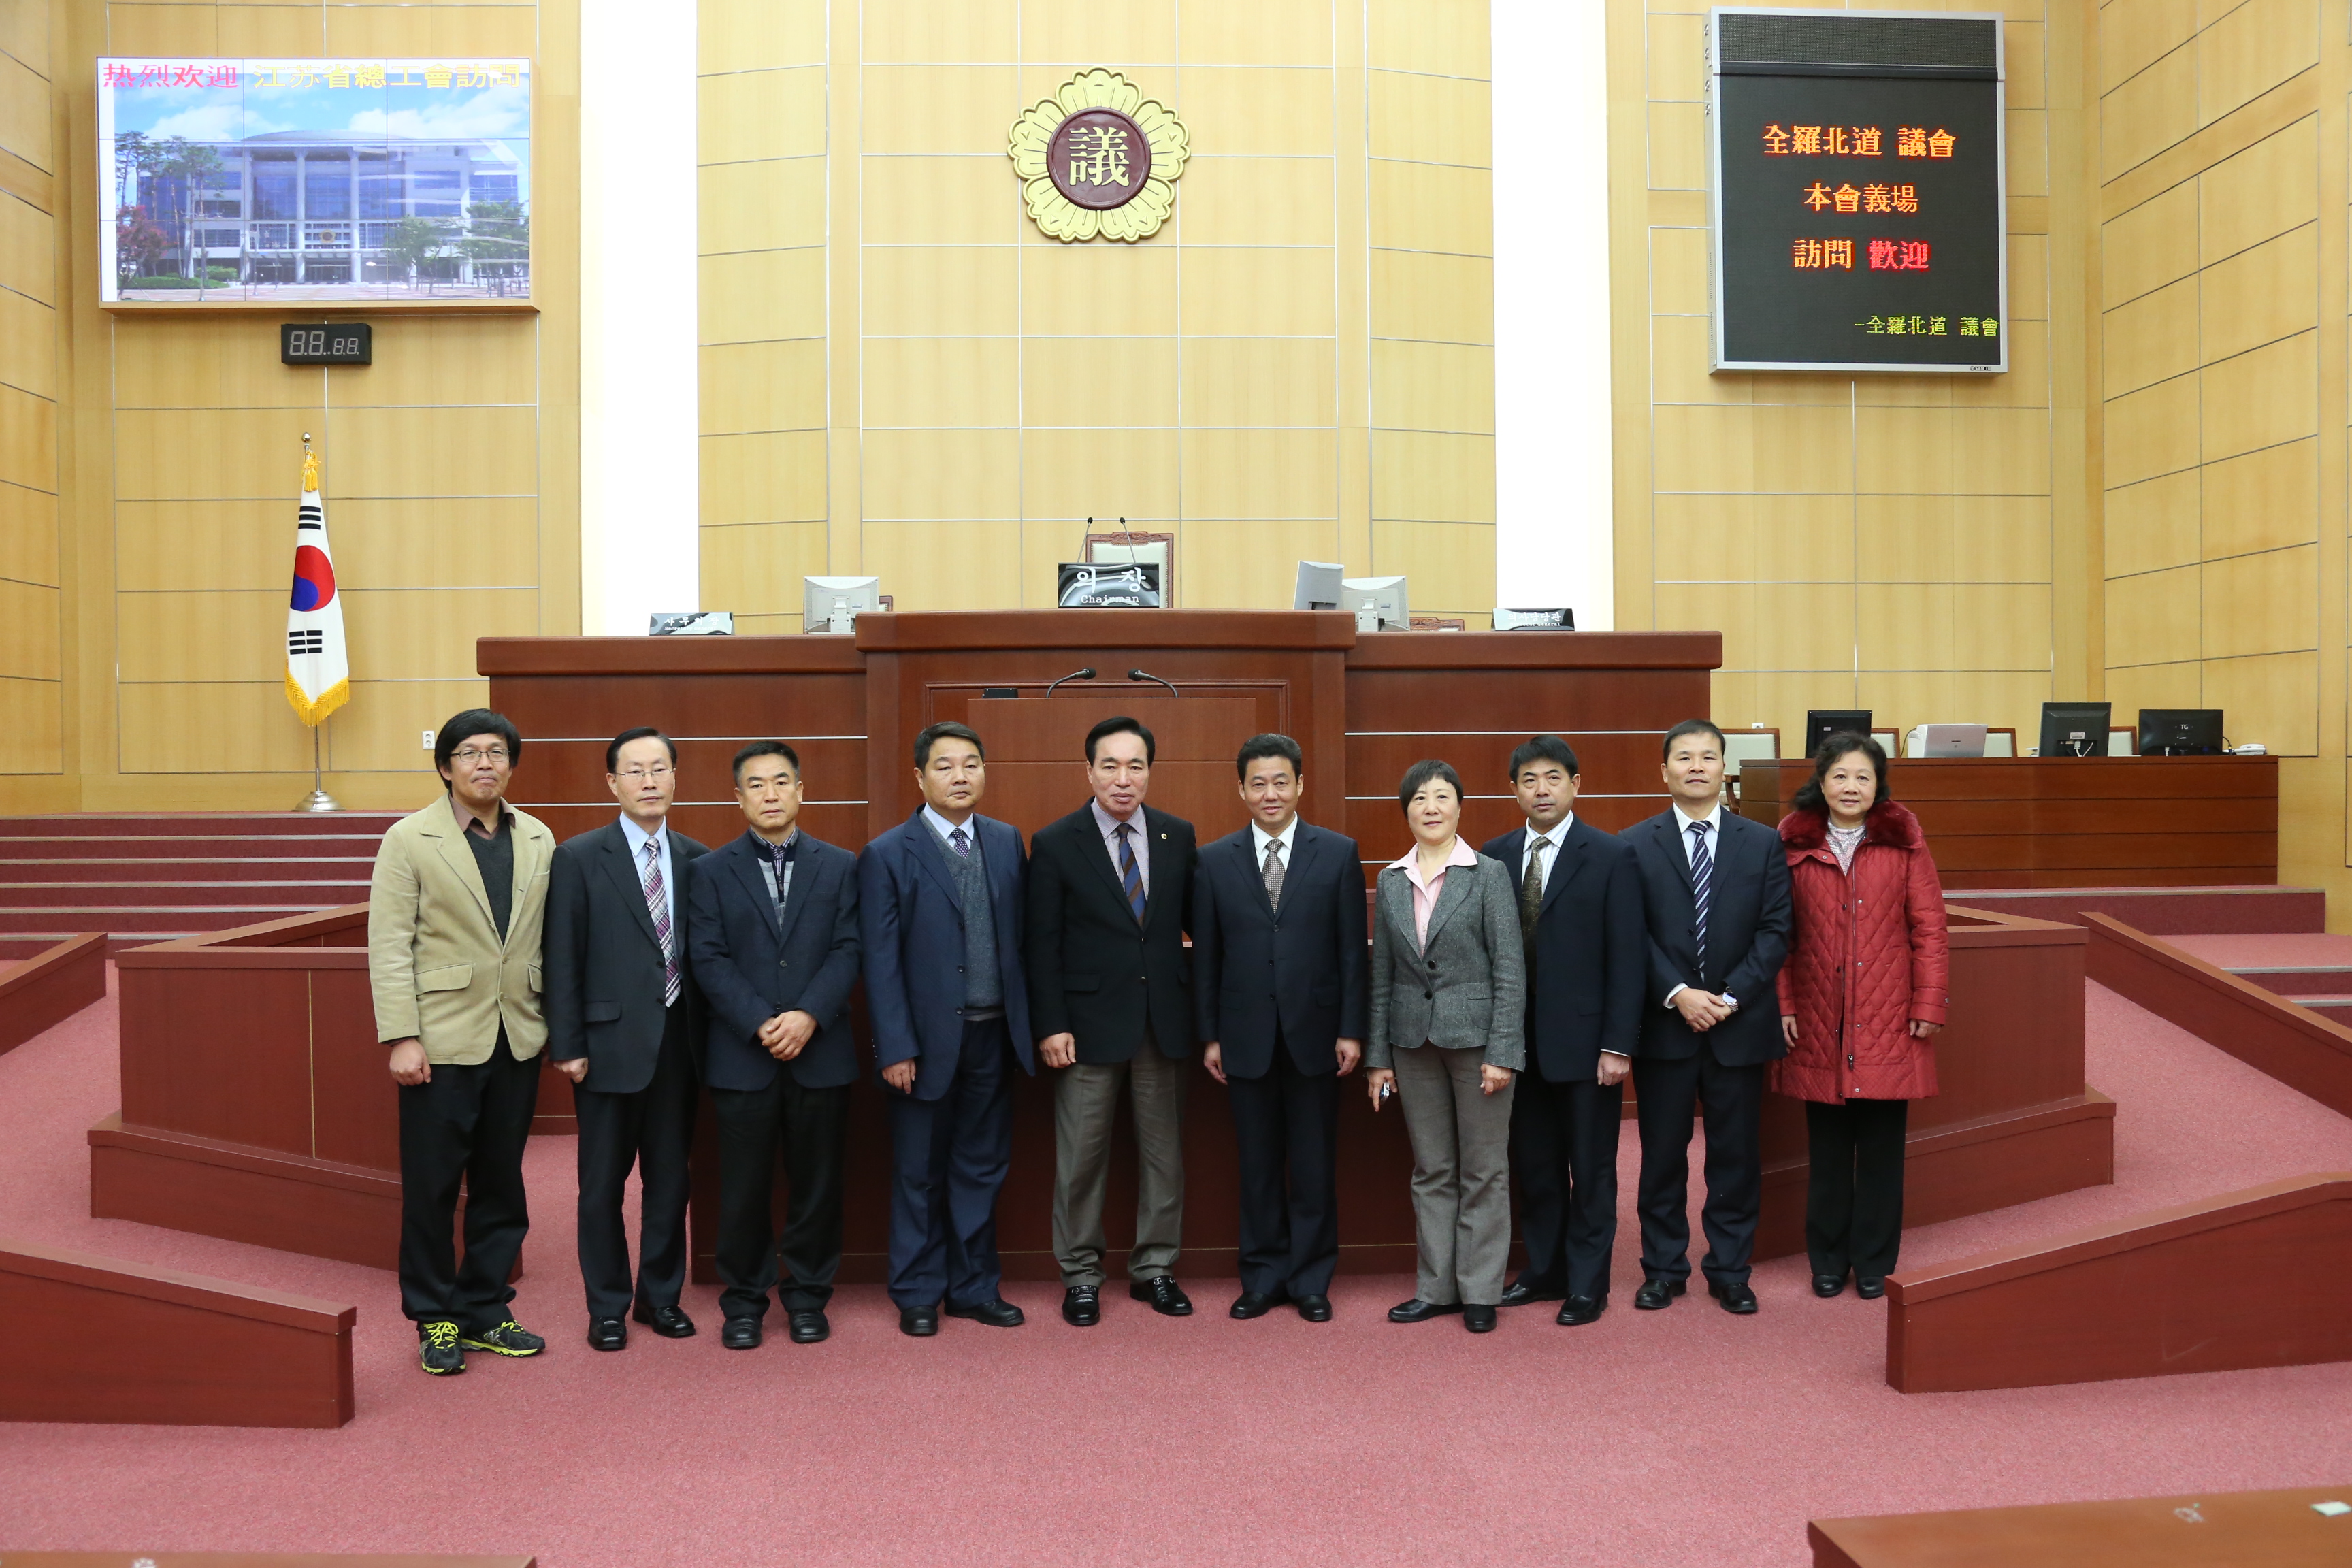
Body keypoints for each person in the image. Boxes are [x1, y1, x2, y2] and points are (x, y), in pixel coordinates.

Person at [368, 709, 557, 1376]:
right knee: (432, 1186)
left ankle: (484, 1309)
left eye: (497, 752)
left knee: (503, 1183)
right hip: (440, 1041)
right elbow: (390, 944)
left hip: (516, 1035)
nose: (485, 763)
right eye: (470, 753)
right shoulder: (409, 838)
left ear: (511, 764)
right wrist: (402, 1036)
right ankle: (434, 1316)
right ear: (445, 766)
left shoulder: (537, 836)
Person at [860, 721, 1034, 1337]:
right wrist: (896, 1046)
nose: (960, 777)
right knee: (918, 1172)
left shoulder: (1007, 840)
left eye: (970, 765)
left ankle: (973, 1288)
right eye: (945, 766)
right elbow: (879, 962)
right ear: (920, 777)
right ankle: (916, 1292)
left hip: (993, 1036)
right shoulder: (886, 853)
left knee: (981, 1167)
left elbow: (1021, 943)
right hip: (923, 1044)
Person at [686, 740, 862, 1350]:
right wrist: (762, 1021)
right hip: (743, 1055)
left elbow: (849, 949)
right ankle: (745, 1302)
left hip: (821, 1051)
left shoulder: (841, 865)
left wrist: (809, 1015)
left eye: (781, 782)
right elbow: (705, 957)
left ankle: (809, 1297)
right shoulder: (708, 871)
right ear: (739, 797)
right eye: (756, 785)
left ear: (800, 791)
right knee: (742, 1189)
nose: (769, 794)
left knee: (817, 1186)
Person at [1026, 715, 1200, 1326]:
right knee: (1081, 1160)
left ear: (1150, 771)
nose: (1123, 779)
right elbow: (1040, 945)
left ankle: (1155, 1268)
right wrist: (1050, 1024)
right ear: (1090, 771)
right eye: (1110, 765)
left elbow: (1196, 930)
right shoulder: (1054, 842)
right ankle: (1080, 1274)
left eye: (1136, 766)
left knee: (1163, 1157)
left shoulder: (1178, 836)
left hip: (1163, 1024)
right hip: (1084, 1027)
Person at [544, 727, 710, 1352]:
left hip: (679, 1043)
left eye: (659, 769)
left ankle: (659, 1298)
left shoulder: (698, 858)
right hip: (607, 1045)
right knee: (602, 1185)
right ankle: (607, 1306)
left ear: (675, 779)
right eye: (635, 771)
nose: (649, 781)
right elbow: (562, 956)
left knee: (671, 1181)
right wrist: (567, 1043)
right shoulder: (580, 856)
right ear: (612, 783)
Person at [1192, 733, 1367, 1322]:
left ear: (1300, 785)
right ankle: (1263, 1276)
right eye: (1258, 783)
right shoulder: (1214, 860)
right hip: (1244, 1036)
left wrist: (1351, 1028)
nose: (1270, 793)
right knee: (1259, 1165)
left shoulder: (1338, 852)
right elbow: (1207, 956)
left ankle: (1312, 1279)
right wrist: (1210, 1034)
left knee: (1314, 1165)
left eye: (1281, 781)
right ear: (1241, 788)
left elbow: (1351, 952)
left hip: (1317, 1033)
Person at [1626, 719, 1793, 1316]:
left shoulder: (1762, 841)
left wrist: (1729, 996)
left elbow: (1777, 931)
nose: (1696, 767)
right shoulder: (1634, 844)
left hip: (1737, 1024)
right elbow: (1630, 934)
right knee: (1662, 1156)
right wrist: (1678, 993)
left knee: (1735, 1156)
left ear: (1725, 768)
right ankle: (1664, 1269)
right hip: (1666, 1024)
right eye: (1684, 758)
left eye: (1708, 757)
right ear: (1664, 771)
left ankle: (1729, 1269)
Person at [1774, 733, 1948, 1301]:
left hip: (1888, 1017)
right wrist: (1784, 1004)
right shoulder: (1791, 842)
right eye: (1841, 776)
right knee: (1826, 1152)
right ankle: (1827, 1260)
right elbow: (1778, 934)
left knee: (1879, 1151)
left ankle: (1873, 1261)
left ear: (1879, 786)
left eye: (1863, 777)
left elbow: (1930, 928)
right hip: (1819, 1018)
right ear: (1821, 782)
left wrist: (1927, 1004)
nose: (1851, 787)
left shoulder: (1904, 841)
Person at [1482, 736, 1645, 1326]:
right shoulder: (1493, 856)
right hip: (1516, 1046)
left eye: (1553, 777)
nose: (1541, 789)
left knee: (1593, 1168)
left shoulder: (1610, 855)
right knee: (1537, 1165)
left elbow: (1628, 957)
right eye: (1529, 780)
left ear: (1576, 784)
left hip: (1587, 1046)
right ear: (1514, 790)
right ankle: (1544, 1271)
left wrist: (1618, 1043)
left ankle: (1587, 1284)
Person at [1365, 759, 1525, 1335]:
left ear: (1460, 807)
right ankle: (1436, 1288)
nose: (1431, 807)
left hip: (1479, 1042)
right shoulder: (1389, 880)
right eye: (1419, 799)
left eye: (1442, 797)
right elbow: (1381, 974)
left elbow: (1510, 969)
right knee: (1432, 1168)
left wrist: (1504, 1051)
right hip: (1411, 1041)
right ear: (1405, 810)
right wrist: (1377, 1057)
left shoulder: (1488, 874)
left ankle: (1480, 1290)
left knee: (1484, 1169)